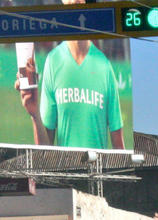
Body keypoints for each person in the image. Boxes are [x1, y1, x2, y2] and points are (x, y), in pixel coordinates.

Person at [15, 0, 125, 150]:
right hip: (66, 172)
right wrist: (34, 114)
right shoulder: (53, 61)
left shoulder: (104, 66)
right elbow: (46, 152)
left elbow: (119, 147)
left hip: (98, 173)